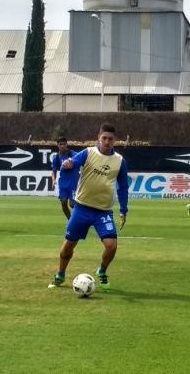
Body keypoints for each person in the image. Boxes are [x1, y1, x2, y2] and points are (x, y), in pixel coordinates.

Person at [48, 123, 129, 291]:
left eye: (110, 139)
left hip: (103, 211)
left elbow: (123, 187)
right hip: (82, 208)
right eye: (104, 138)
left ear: (115, 141)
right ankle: (60, 274)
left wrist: (123, 210)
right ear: (98, 138)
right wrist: (68, 164)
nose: (107, 142)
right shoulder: (88, 153)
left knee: (112, 245)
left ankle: (102, 271)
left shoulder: (120, 161)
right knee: (69, 245)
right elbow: (71, 163)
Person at [50, 137, 79, 220]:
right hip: (63, 184)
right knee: (63, 203)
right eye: (60, 144)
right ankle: (70, 221)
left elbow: (83, 162)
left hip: (73, 184)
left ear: (67, 144)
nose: (62, 146)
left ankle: (83, 216)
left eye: (64, 144)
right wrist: (53, 180)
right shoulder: (56, 157)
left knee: (72, 204)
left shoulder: (74, 154)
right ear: (57, 145)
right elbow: (53, 171)